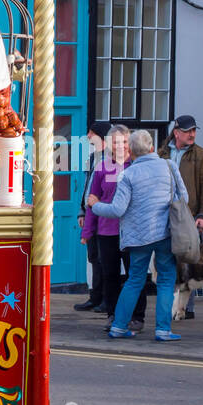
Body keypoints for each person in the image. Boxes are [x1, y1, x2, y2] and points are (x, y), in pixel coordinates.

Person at [90, 129, 185, 342]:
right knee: (166, 279)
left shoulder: (128, 174)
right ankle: (163, 330)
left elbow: (117, 210)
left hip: (138, 237)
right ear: (152, 147)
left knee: (134, 280)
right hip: (165, 235)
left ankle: (119, 327)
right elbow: (183, 197)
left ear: (131, 151)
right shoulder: (169, 166)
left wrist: (96, 206)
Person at [161, 114, 203, 319]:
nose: (192, 134)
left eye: (194, 131)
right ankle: (170, 305)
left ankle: (186, 308)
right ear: (177, 132)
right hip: (164, 214)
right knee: (167, 259)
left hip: (189, 216)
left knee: (189, 259)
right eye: (188, 131)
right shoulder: (162, 153)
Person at [83, 125, 132, 331]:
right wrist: (87, 231)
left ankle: (136, 316)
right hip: (107, 231)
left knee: (133, 276)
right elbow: (92, 201)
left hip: (131, 232)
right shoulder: (102, 167)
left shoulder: (135, 166)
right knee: (110, 276)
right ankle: (112, 315)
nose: (120, 146)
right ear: (109, 144)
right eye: (116, 142)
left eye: (124, 142)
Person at [74, 123, 110, 312]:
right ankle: (95, 297)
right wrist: (83, 211)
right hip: (91, 212)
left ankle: (106, 298)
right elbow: (87, 187)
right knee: (94, 256)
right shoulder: (93, 158)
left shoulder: (112, 160)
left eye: (92, 133)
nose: (88, 136)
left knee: (105, 258)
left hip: (103, 213)